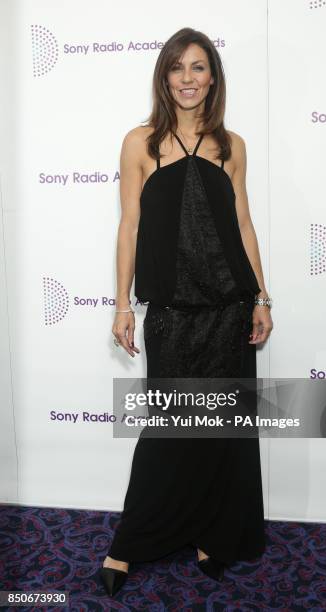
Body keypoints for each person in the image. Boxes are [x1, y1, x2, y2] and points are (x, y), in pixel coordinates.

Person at [100, 27, 273, 597]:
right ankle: (131, 544)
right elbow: (130, 226)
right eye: (178, 68)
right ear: (164, 76)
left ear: (213, 77)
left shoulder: (232, 145)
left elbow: (243, 226)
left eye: (199, 67)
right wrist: (121, 304)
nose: (188, 78)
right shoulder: (141, 143)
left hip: (228, 309)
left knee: (220, 431)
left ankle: (212, 532)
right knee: (169, 432)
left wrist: (261, 297)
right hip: (172, 313)